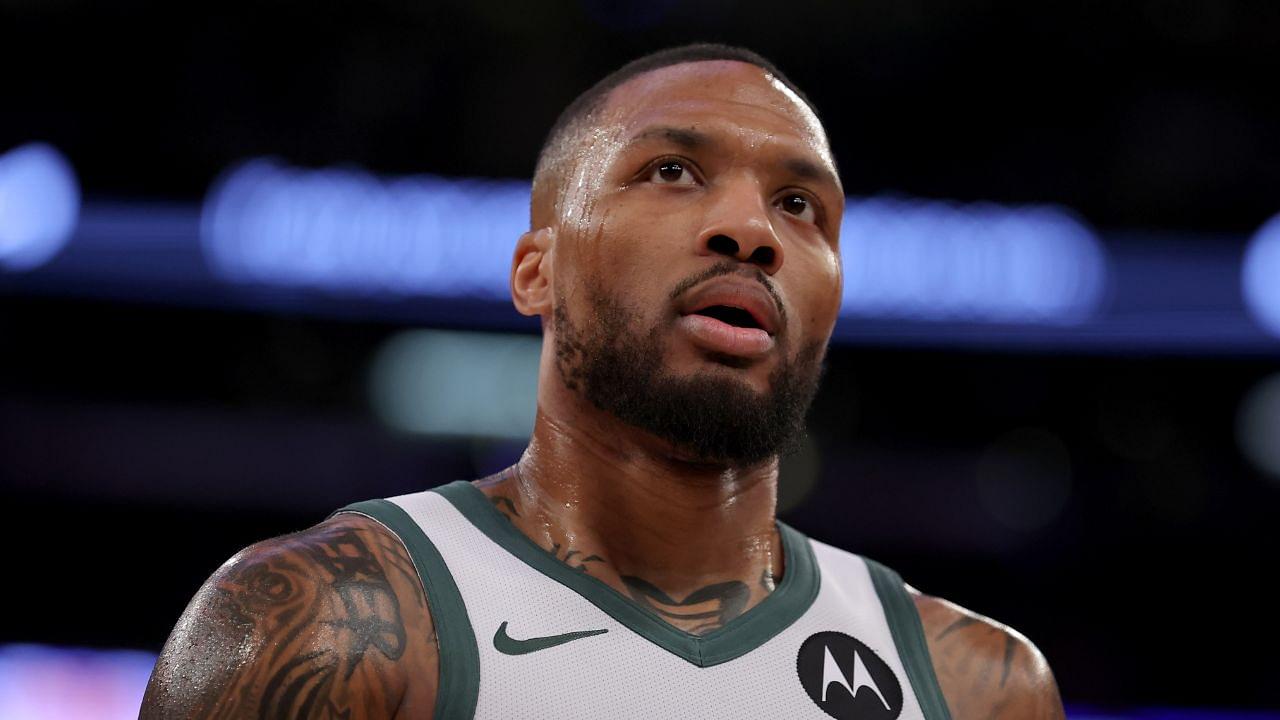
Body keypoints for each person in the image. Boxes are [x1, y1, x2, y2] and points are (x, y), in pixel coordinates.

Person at [141, 43, 1066, 719]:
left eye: (799, 205)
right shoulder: (326, 627)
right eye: (672, 172)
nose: (752, 230)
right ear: (535, 271)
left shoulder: (975, 686)